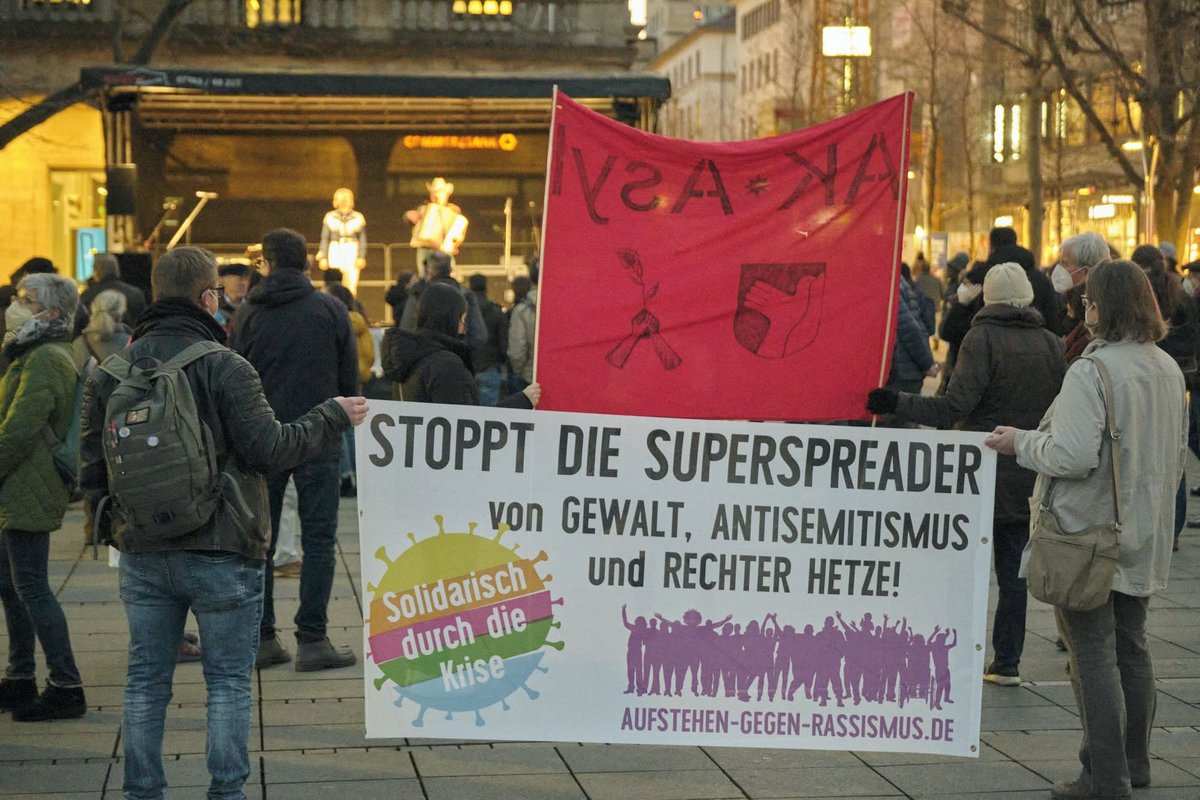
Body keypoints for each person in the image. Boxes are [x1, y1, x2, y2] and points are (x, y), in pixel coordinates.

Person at [79, 246, 367, 800]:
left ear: (155, 294)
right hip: (222, 547)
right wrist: (331, 414)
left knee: (144, 682)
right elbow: (271, 449)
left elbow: (94, 473)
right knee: (229, 683)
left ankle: (142, 791)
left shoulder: (112, 372)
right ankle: (226, 792)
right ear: (209, 298)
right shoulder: (224, 365)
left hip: (143, 551)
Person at [985, 259, 1187, 800]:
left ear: (1103, 307)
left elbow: (1071, 456)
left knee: (1091, 653)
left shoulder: (1092, 371)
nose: (1083, 307)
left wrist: (1019, 443)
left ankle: (1104, 775)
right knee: (1133, 647)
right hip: (1142, 528)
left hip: (1088, 532)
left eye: (1090, 300)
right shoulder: (1166, 368)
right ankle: (1135, 763)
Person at [868, 264, 1066, 685]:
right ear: (1027, 298)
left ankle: (955, 651)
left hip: (981, 468)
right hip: (1028, 469)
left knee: (963, 569)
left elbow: (954, 407)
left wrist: (896, 402)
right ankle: (1008, 660)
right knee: (1013, 570)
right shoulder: (1052, 343)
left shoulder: (983, 338)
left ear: (987, 298)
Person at [230, 228, 360, 672]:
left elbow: (233, 377)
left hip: (263, 440)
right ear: (306, 263)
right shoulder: (330, 309)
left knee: (259, 543)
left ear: (265, 263)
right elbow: (350, 384)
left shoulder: (248, 313)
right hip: (320, 439)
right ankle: (313, 639)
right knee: (319, 540)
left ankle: (263, 638)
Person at [0, 273, 87, 721]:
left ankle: (65, 684)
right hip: (15, 484)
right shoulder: (27, 352)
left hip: (28, 483)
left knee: (31, 586)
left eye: (25, 300)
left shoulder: (47, 358)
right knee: (12, 585)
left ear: (51, 313)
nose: (16, 306)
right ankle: (19, 677)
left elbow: (19, 427)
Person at [1131, 243, 1198, 552]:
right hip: (1180, 376)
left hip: (1146, 375)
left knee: (1146, 450)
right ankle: (1172, 529)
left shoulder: (1141, 294)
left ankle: (1151, 524)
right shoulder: (1180, 293)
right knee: (1175, 452)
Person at [382, 282, 539, 408]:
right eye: (462, 319)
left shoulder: (406, 357)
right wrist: (521, 401)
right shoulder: (446, 365)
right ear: (451, 318)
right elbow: (468, 427)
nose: (463, 327)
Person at [404, 177, 468, 270]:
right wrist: (408, 216)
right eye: (433, 192)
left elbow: (459, 231)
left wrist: (454, 243)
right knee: (425, 276)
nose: (435, 195)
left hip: (444, 251)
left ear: (446, 194)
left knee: (446, 275)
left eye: (439, 192)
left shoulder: (453, 210)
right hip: (425, 249)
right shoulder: (424, 208)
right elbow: (410, 219)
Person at [76, 253, 147, 335]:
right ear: (117, 270)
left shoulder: (87, 296)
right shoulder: (136, 294)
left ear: (96, 272)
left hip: (96, 343)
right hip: (130, 344)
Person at [316, 187, 367, 295]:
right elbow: (325, 238)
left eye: (346, 199)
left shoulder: (358, 217)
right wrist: (323, 257)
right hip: (335, 248)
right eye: (341, 200)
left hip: (351, 248)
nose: (344, 203)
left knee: (351, 282)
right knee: (334, 281)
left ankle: (349, 306)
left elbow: (362, 238)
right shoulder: (330, 217)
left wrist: (361, 256)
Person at [468, 273, 507, 406]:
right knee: (488, 415)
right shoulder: (496, 312)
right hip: (490, 367)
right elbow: (503, 344)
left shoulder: (464, 312)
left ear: (470, 287)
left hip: (467, 369)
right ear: (486, 288)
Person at [508, 266, 538, 388]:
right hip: (561, 374)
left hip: (529, 375)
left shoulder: (522, 310)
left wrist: (518, 370)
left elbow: (517, 349)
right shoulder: (565, 305)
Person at [214, 261, 252, 336]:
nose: (244, 283)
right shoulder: (214, 306)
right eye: (239, 279)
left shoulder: (252, 306)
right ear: (222, 280)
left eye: (247, 279)